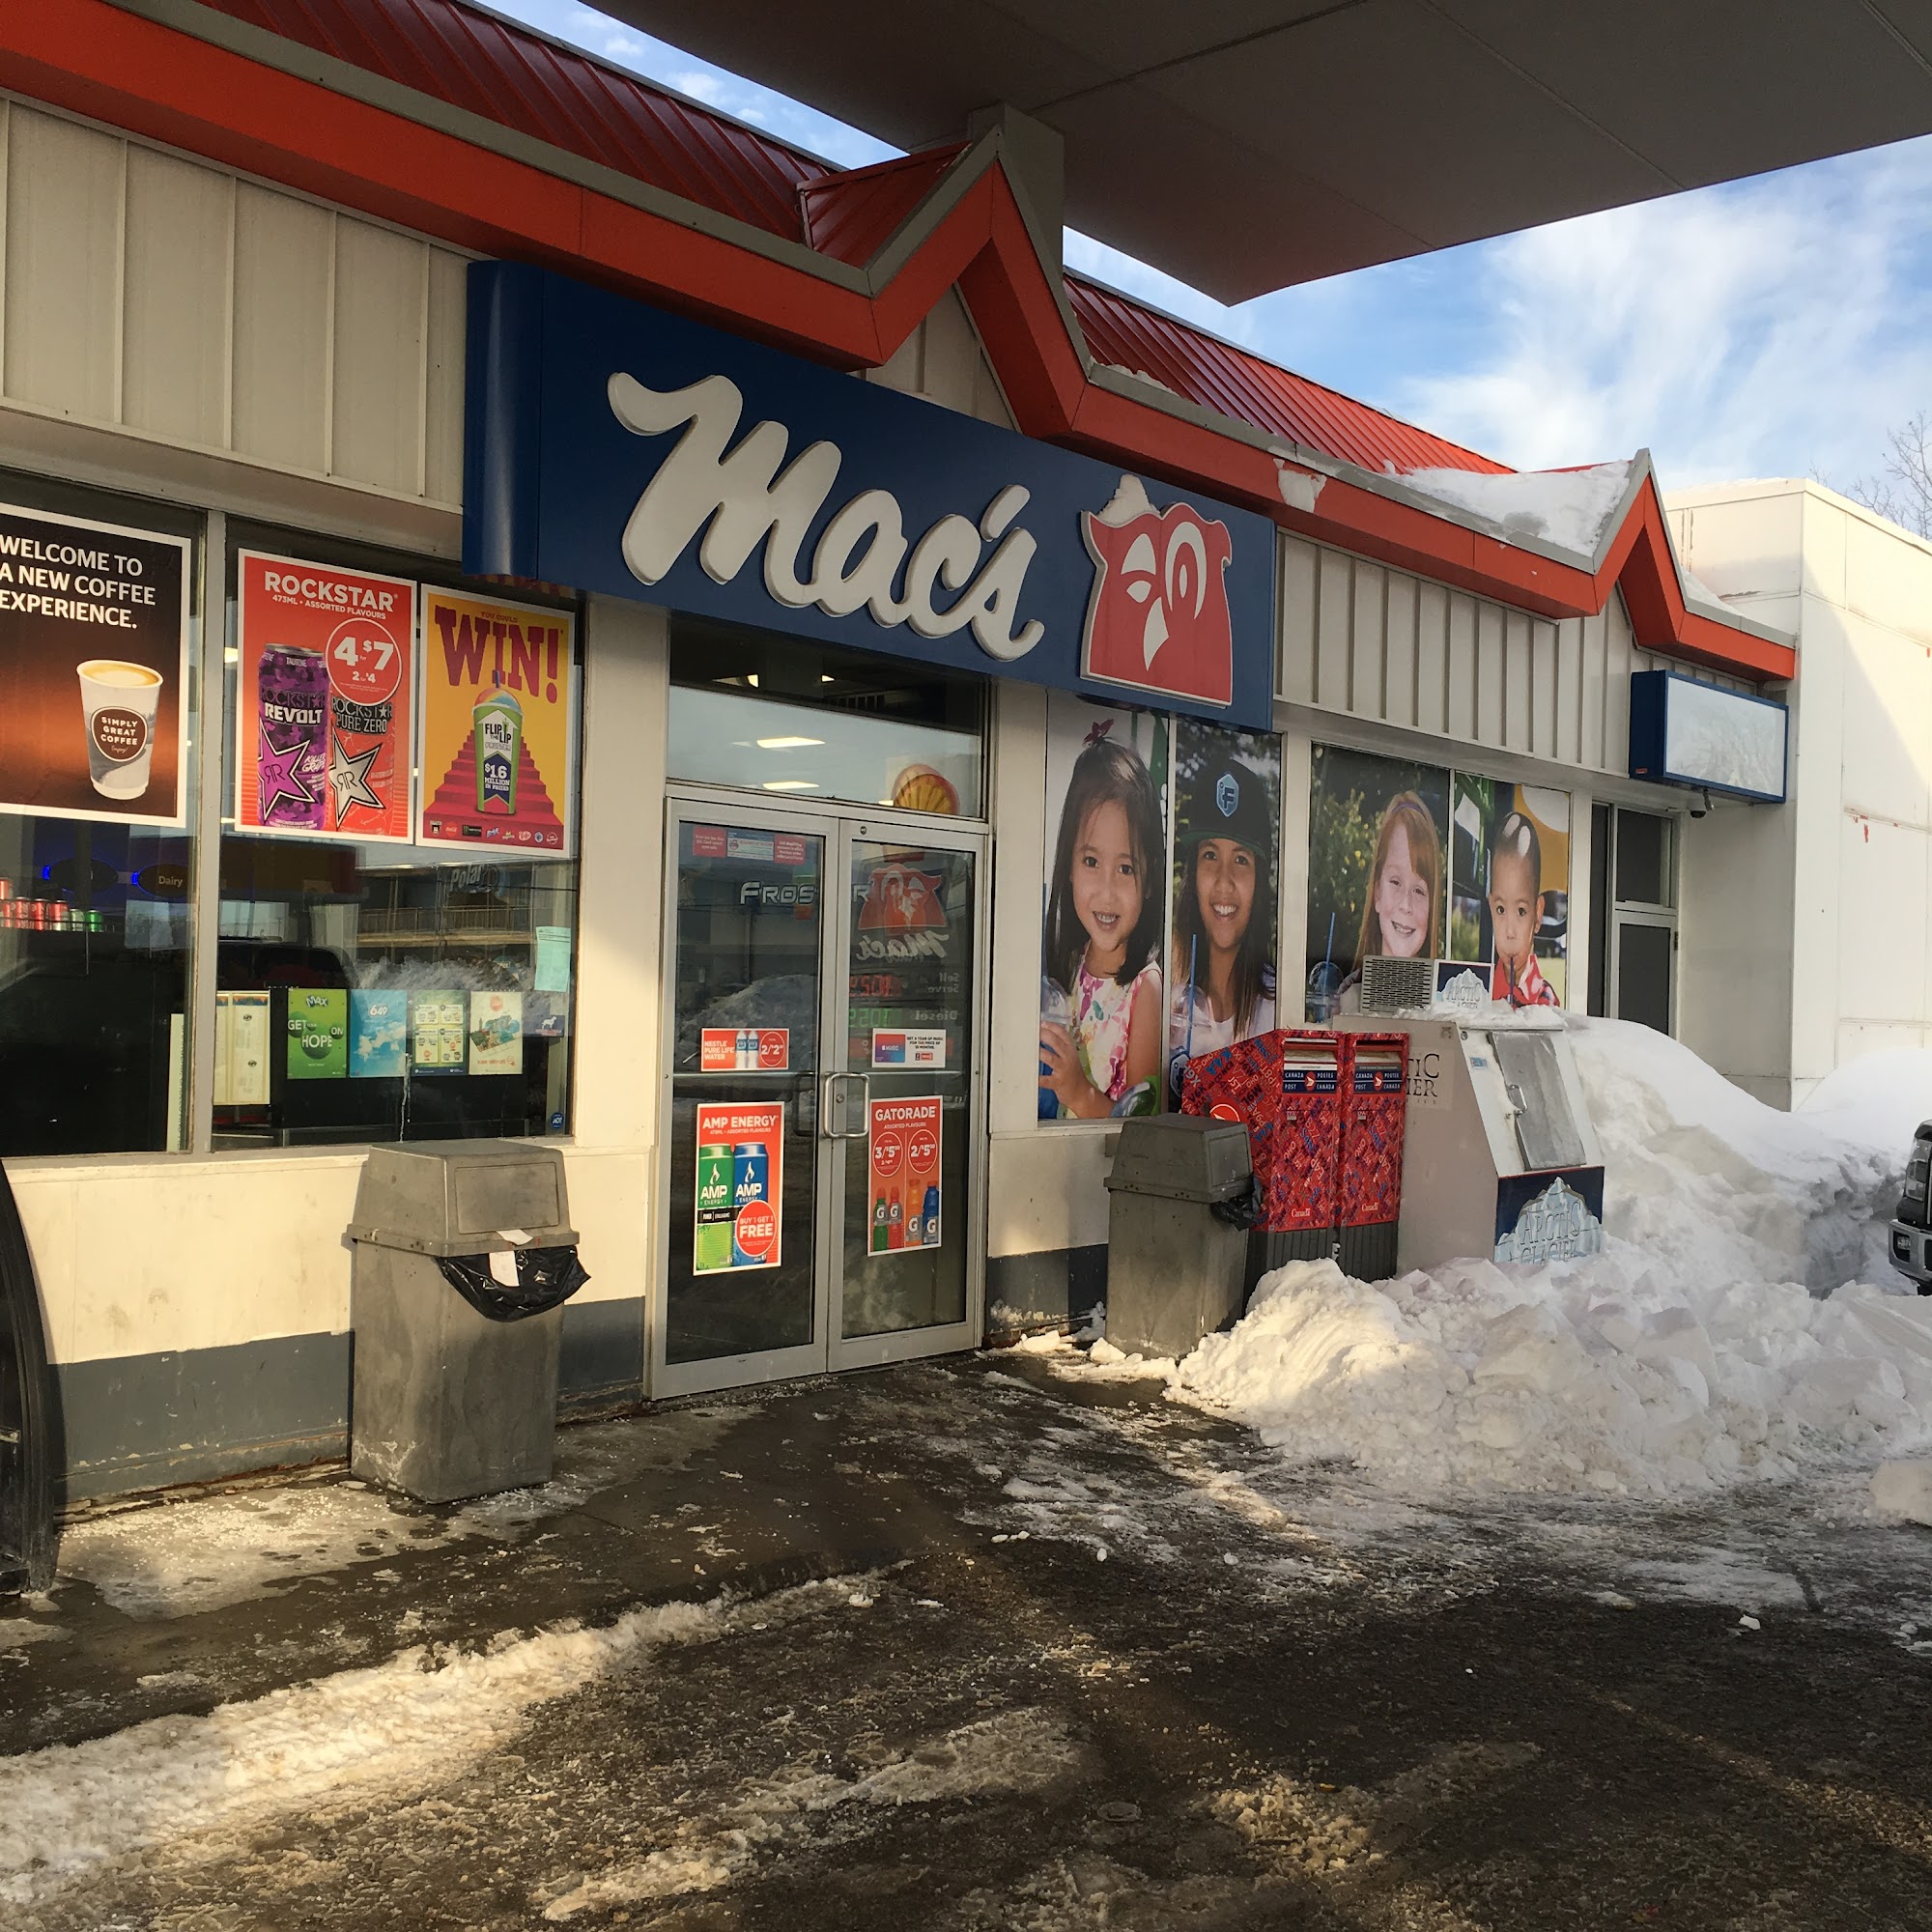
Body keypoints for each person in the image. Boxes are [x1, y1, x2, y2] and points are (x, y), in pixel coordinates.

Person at [1039, 730, 1164, 1119]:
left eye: (1125, 868)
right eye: (1091, 862)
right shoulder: (1066, 966)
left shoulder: (1145, 989)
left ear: (1149, 881)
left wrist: (1080, 1094)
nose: (1107, 892)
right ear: (1069, 865)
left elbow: (1141, 1129)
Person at [1169, 757, 1276, 1094]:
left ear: (1259, 882)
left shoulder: (1279, 1009)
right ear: (1192, 873)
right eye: (1210, 855)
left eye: (1241, 860)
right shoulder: (1163, 998)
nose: (1224, 881)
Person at [1336, 791, 1441, 1011]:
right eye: (1395, 882)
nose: (1406, 904)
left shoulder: (1446, 1004)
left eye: (1419, 890)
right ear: (1377, 893)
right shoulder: (1347, 1000)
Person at [1488, 809, 1558, 1007]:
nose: (1510, 932)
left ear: (1538, 914)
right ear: (1491, 908)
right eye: (1500, 910)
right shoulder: (1481, 991)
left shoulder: (1544, 999)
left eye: (1521, 911)